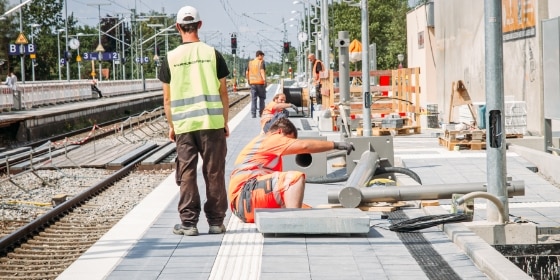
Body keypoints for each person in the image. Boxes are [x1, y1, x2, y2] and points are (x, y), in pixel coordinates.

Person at [159, 5, 230, 236]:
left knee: (187, 172)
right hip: (211, 124)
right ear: (200, 25)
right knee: (214, 172)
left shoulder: (170, 58)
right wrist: (224, 121)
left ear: (177, 27)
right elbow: (223, 93)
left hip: (184, 126)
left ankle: (188, 224)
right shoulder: (212, 54)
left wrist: (172, 126)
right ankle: (216, 222)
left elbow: (167, 100)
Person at [228, 117, 355, 223]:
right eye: (288, 140)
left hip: (244, 204)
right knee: (293, 179)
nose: (288, 144)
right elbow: (304, 146)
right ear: (280, 131)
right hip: (245, 199)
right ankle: (294, 224)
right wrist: (336, 145)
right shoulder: (272, 139)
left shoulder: (264, 147)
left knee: (304, 209)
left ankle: (295, 218)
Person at [246, 50, 267, 118]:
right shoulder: (261, 62)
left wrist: (248, 80)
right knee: (262, 98)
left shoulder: (250, 63)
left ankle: (253, 114)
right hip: (260, 83)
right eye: (262, 56)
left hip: (252, 83)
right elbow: (262, 71)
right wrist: (265, 80)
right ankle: (261, 113)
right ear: (259, 55)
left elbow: (247, 72)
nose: (263, 58)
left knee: (253, 99)